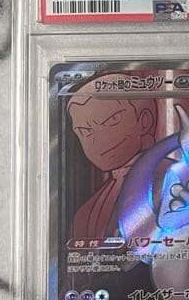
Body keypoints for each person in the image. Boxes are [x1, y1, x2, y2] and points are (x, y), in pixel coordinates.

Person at [67, 93, 158, 239]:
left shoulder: (179, 180)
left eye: (112, 120)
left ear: (144, 121)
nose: (98, 140)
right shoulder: (85, 214)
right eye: (85, 131)